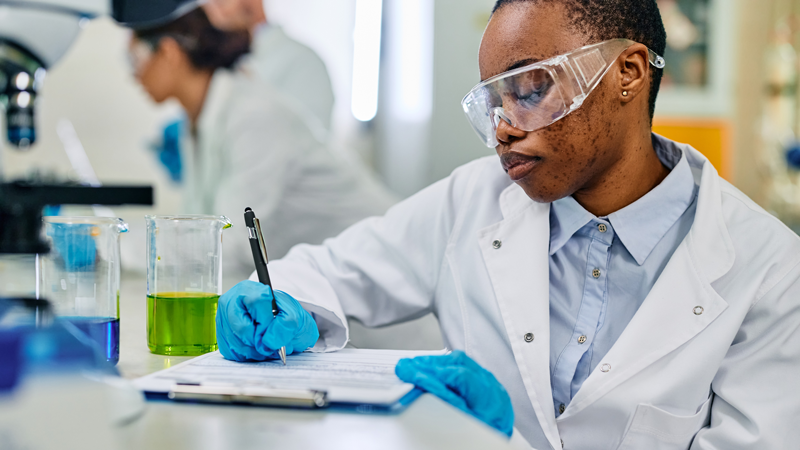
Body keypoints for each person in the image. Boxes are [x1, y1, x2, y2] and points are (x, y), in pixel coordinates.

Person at [216, 0, 800, 449]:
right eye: (494, 102)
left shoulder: (771, 271)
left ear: (628, 72)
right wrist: (281, 301)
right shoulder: (472, 200)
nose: (503, 128)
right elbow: (327, 271)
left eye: (532, 89)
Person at [127, 6, 396, 278]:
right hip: (327, 279)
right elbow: (191, 226)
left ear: (170, 53)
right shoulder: (199, 120)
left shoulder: (253, 115)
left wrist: (112, 247)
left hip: (381, 270)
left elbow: (231, 244)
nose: (133, 75)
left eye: (134, 58)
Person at [202, 0, 335, 135]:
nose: (211, 12)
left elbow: (307, 146)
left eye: (220, 3)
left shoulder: (304, 63)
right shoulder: (221, 63)